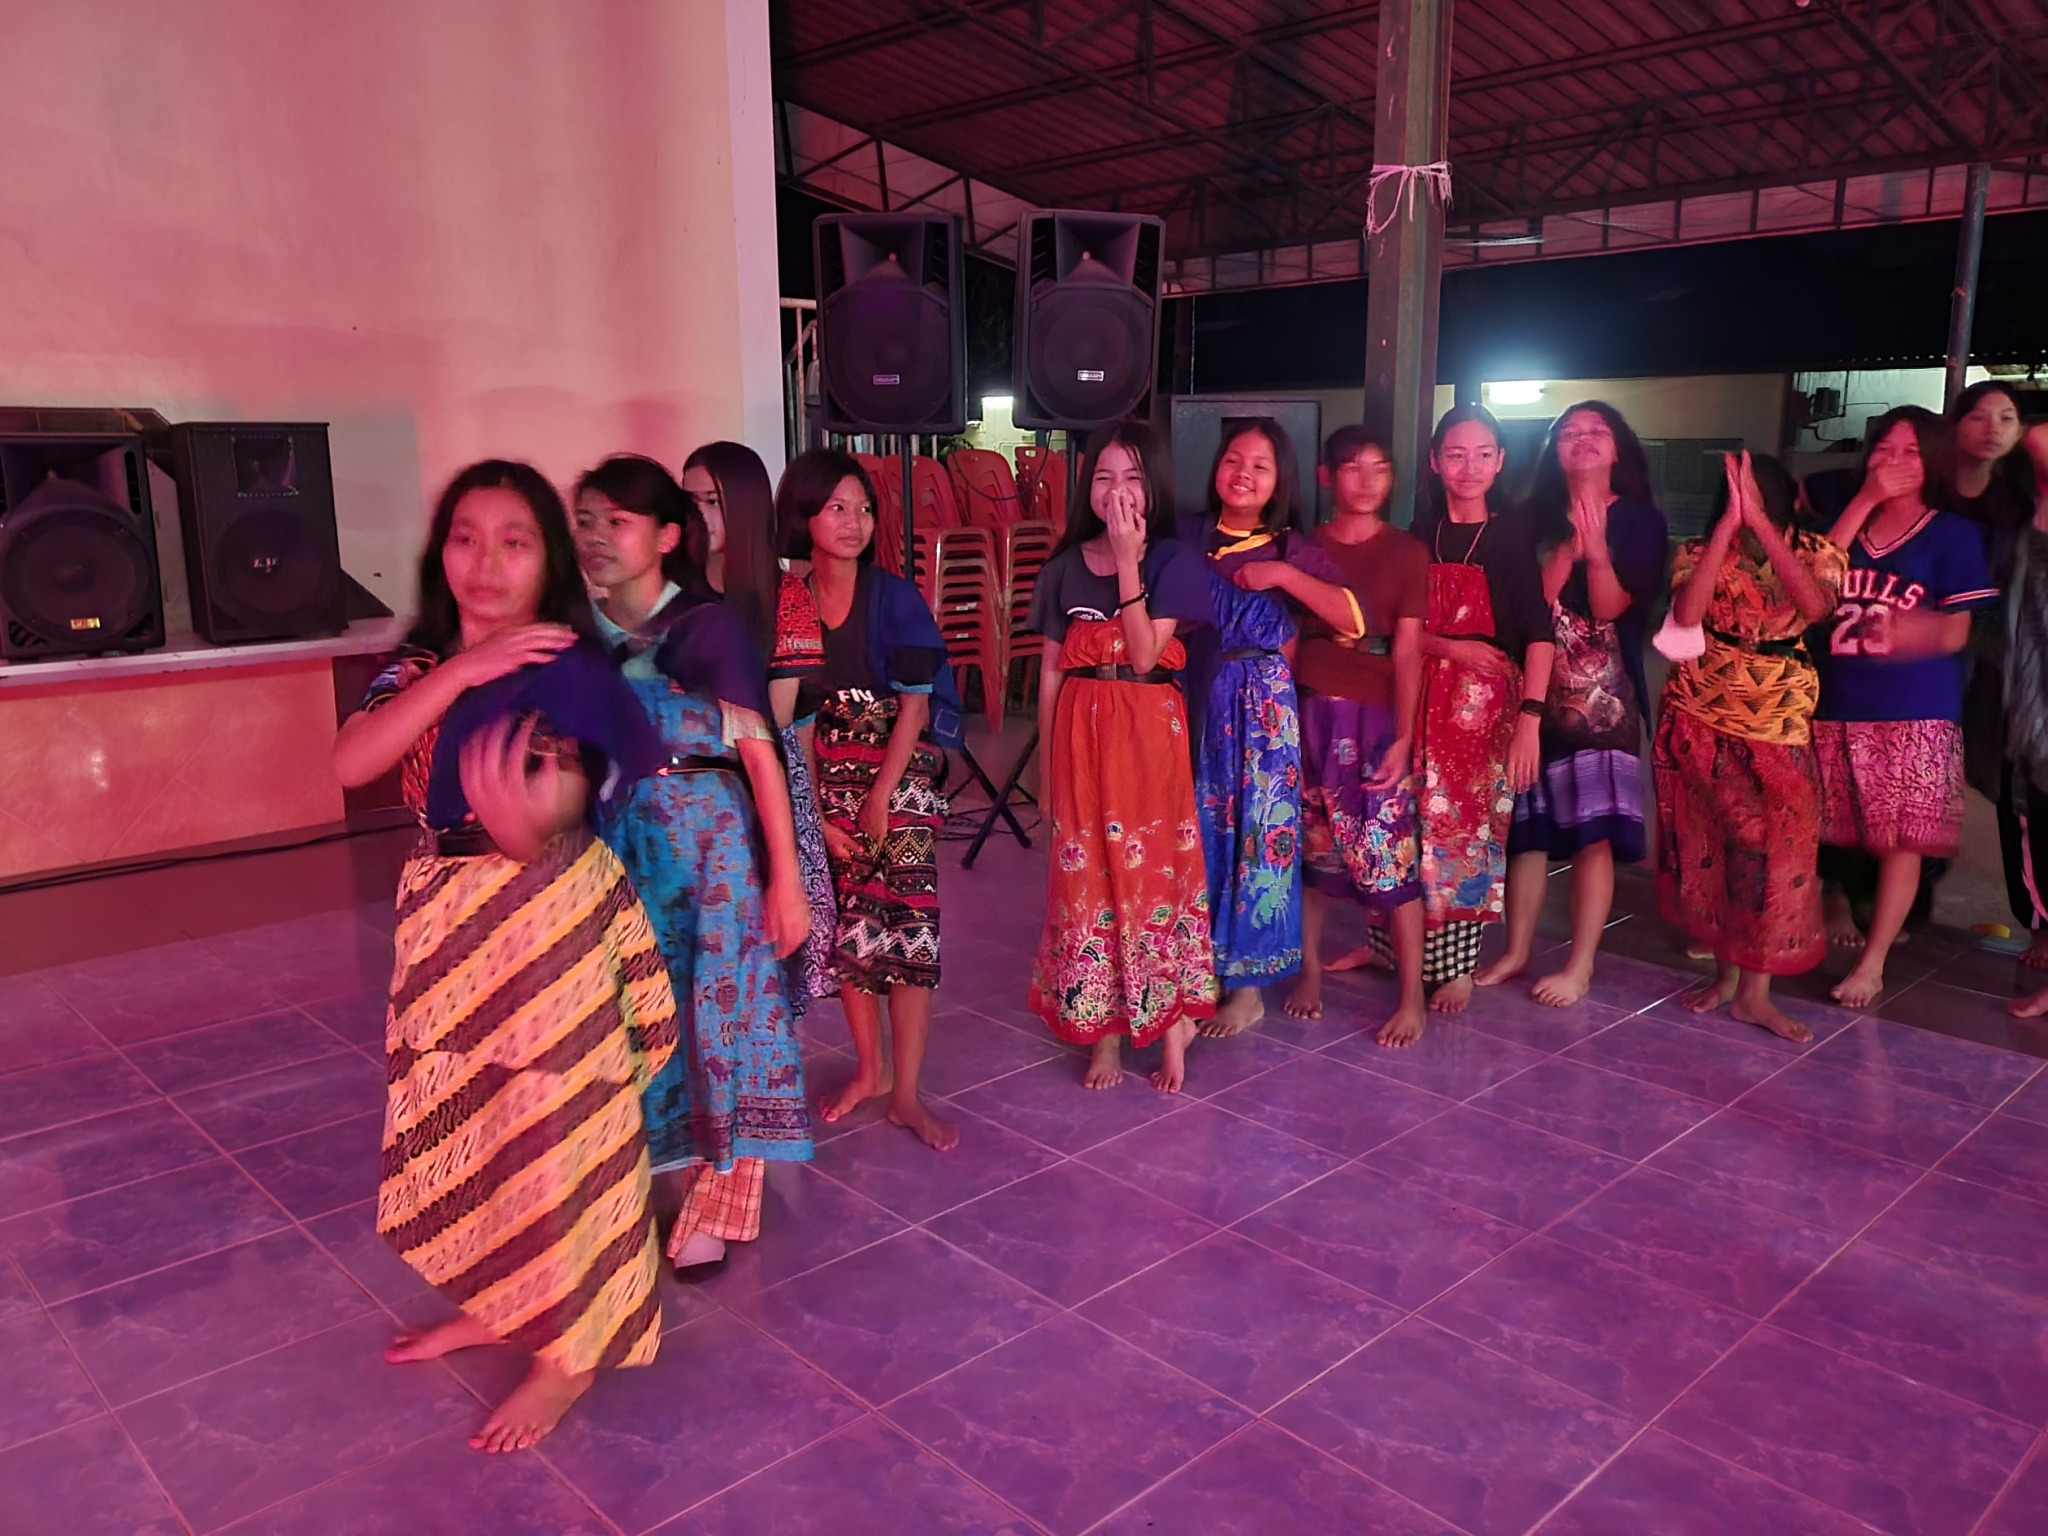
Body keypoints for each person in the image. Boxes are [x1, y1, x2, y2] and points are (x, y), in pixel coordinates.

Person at [331, 461, 678, 1453]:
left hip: (546, 921)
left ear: (549, 559)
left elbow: (577, 787)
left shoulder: (569, 665)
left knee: (551, 1134)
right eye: (465, 538)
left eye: (514, 542)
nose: (486, 563)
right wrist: (463, 669)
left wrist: (535, 823)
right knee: (474, 1121)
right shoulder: (418, 664)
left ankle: (569, 1354)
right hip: (448, 920)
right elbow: (351, 760)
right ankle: (504, 1303)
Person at [573, 455, 813, 1280]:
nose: (597, 537)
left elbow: (761, 756)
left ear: (668, 536)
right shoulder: (579, 632)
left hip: (712, 852)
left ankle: (719, 1202)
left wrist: (786, 877)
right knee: (632, 1012)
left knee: (720, 1016)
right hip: (616, 846)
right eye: (586, 521)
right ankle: (641, 1173)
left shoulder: (706, 627)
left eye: (618, 521)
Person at [775, 448, 964, 1150]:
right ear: (804, 517)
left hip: (898, 767)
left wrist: (882, 795)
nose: (854, 521)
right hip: (828, 772)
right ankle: (871, 1070)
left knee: (910, 924)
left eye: (863, 508)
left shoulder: (895, 597)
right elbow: (794, 721)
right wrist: (815, 812)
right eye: (836, 508)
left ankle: (907, 1093)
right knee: (850, 926)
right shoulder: (790, 602)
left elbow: (915, 706)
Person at [1025, 422, 1218, 1090]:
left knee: (1152, 879)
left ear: (1153, 486)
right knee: (1086, 884)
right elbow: (1050, 676)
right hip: (1081, 743)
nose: (1117, 491)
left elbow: (1142, 654)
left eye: (1133, 477)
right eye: (1104, 477)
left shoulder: (1174, 561)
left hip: (1147, 741)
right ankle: (1102, 1033)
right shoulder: (1061, 568)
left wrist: (1130, 560)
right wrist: (1046, 772)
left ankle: (1172, 1024)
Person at [1474, 402, 1669, 1007]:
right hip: (1530, 697)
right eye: (1570, 432)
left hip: (1603, 704)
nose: (1583, 439)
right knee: (1526, 833)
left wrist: (1598, 550)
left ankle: (1580, 965)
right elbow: (1524, 609)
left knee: (1595, 834)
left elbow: (1611, 608)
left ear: (1618, 448)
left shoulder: (1640, 520)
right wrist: (1565, 551)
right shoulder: (1528, 519)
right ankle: (1517, 949)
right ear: (1554, 448)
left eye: (1597, 431)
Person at [1654, 452, 1844, 1042]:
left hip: (1779, 721)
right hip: (1701, 712)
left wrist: (1759, 523)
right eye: (1737, 489)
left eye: (1757, 491)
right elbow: (1688, 612)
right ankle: (1727, 979)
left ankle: (1755, 995)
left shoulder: (1817, 551)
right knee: (1715, 848)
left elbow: (1816, 608)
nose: (1746, 497)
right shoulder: (1695, 550)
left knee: (1776, 858)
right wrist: (1727, 530)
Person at [1180, 416, 1360, 1036]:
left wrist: (1284, 577)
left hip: (1262, 711)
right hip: (1193, 697)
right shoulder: (1186, 536)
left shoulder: (1290, 549)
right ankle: (1198, 969)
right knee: (1199, 831)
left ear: (1279, 480)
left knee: (1258, 836)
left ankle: (1248, 988)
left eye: (1260, 466)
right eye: (1234, 459)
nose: (1243, 474)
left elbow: (1353, 618)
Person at [1814, 406, 1998, 1009]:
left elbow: (1956, 632)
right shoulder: (1847, 525)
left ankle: (1872, 965)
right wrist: (1865, 500)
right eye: (1884, 449)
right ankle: (1815, 918)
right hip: (1837, 701)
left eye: (1911, 451)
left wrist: (1908, 631)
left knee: (1901, 839)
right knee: (1825, 828)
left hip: (1915, 708)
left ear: (1934, 461)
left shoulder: (1952, 534)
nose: (1893, 461)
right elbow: (1811, 588)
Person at [1262, 428, 1430, 1046]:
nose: (1366, 480)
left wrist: (1404, 736)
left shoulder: (1407, 552)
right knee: (1311, 856)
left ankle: (1412, 997)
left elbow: (1408, 652)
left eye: (1379, 468)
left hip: (1371, 719)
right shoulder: (1301, 548)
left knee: (1391, 858)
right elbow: (1282, 635)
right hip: (1306, 712)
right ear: (1327, 476)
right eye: (1353, 468)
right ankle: (1309, 970)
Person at [1408, 405, 1555, 1014]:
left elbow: (1539, 635)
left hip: (1483, 711)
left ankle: (1457, 968)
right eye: (1456, 454)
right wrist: (1448, 646)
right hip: (1417, 695)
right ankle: (1396, 952)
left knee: (1467, 836)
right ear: (1435, 462)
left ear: (1500, 462)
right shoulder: (1419, 531)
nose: (1469, 467)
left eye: (1483, 454)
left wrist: (1530, 722)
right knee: (1406, 825)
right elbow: (1398, 624)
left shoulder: (1511, 537)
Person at [683, 441, 841, 1006]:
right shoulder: (670, 592)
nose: (699, 515)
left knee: (758, 961)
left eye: (713, 501)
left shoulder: (786, 595)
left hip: (756, 776)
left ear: (745, 507)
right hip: (677, 784)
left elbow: (774, 724)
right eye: (689, 501)